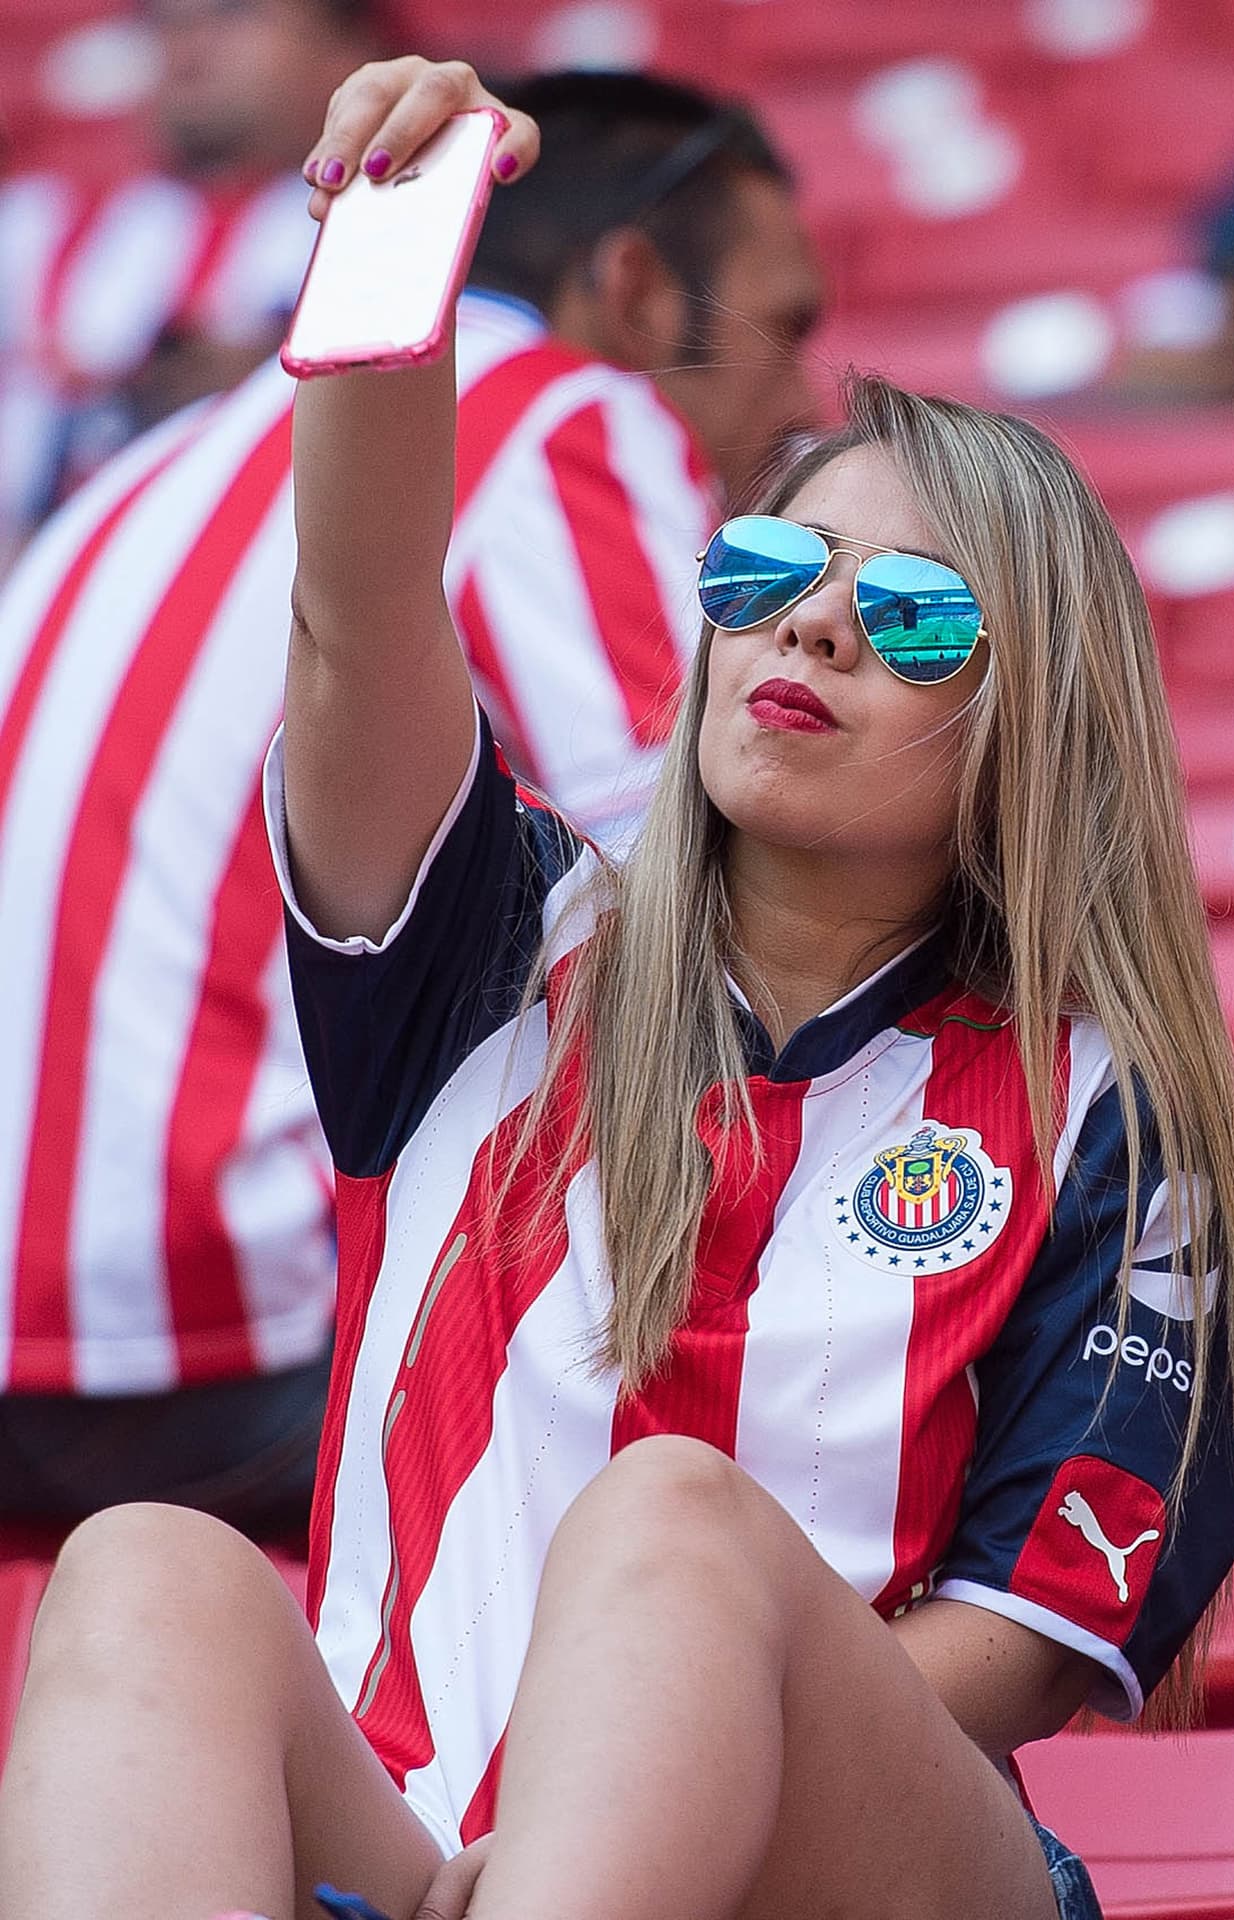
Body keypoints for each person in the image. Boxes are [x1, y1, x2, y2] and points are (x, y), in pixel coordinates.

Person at [0, 55, 1234, 1920]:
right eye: (774, 565)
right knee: (145, 1573)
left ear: (1036, 729)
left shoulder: (1103, 1095)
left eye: (917, 617)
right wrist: (392, 265)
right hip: (433, 1849)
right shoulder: (502, 958)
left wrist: (634, 1795)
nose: (816, 625)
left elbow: (1023, 1645)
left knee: (672, 1530)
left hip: (852, 1856)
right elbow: (357, 616)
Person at [0, 68, 816, 1521]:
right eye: (785, 323)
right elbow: (702, 912)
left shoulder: (153, 464)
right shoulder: (565, 414)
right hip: (230, 1339)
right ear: (631, 287)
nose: (805, 397)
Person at [0, 0, 387, 563]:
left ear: (346, 50)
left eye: (233, 14)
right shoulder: (36, 221)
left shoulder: (392, 226)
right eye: (166, 20)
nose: (190, 44)